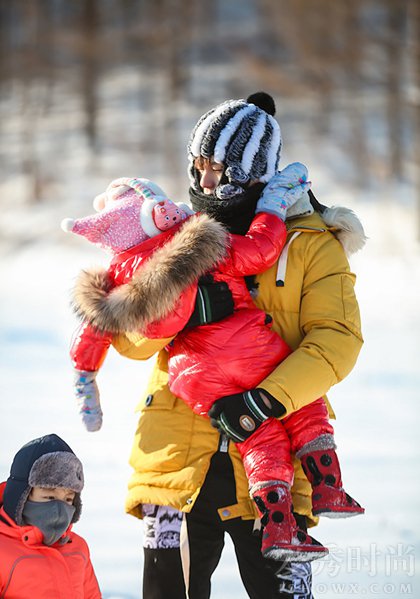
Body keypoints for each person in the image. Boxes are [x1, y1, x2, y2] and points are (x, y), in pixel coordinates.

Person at [95, 91, 365, 598]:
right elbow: (127, 341)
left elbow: (337, 340)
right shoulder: (176, 236)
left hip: (278, 464)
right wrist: (177, 312)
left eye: (220, 168)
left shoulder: (310, 245)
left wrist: (264, 401)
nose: (205, 182)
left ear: (254, 170)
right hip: (178, 461)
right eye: (198, 166)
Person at [0, 433, 101, 598]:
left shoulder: (78, 548)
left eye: (68, 499)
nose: (59, 509)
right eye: (49, 497)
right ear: (21, 496)